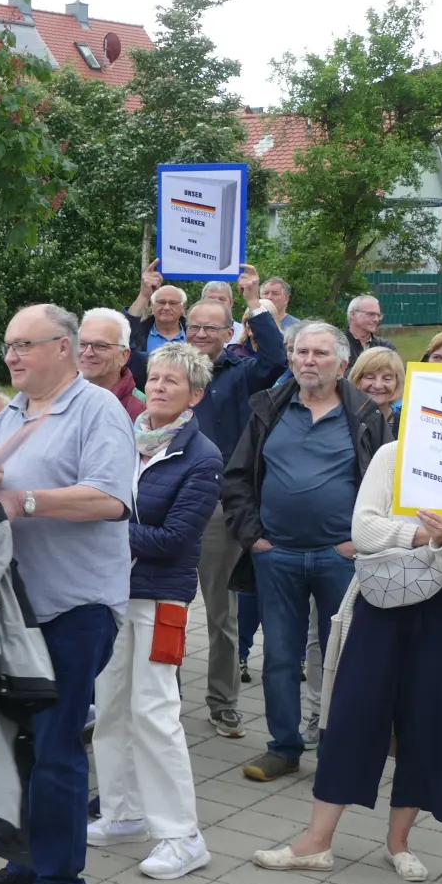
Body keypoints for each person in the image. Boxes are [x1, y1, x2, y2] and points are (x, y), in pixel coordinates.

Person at [0, 305, 136, 884]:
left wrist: (27, 501)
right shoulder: (10, 416)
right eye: (8, 346)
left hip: (77, 606)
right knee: (16, 742)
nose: (13, 356)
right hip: (10, 605)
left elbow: (109, 500)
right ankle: (23, 865)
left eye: (25, 344)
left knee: (55, 747)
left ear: (65, 348)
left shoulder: (97, 411)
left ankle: (57, 881)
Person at [251, 445, 442, 884]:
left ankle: (399, 844)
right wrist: (425, 536)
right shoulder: (395, 454)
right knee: (353, 715)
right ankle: (316, 842)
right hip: (384, 603)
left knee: (430, 724)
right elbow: (363, 530)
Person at [221, 322, 390, 783]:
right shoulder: (270, 409)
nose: (308, 361)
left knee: (347, 657)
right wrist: (254, 538)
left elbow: (387, 487)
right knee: (279, 656)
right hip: (277, 556)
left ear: (342, 363)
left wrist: (359, 543)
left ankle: (343, 749)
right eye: (301, 352)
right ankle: (283, 747)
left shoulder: (367, 418)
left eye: (319, 353)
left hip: (341, 558)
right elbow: (236, 478)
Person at [87, 343, 220, 881]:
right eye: (156, 378)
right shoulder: (126, 438)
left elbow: (174, 538)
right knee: (110, 707)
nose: (159, 387)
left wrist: (105, 522)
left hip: (159, 601)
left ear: (196, 395)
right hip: (110, 595)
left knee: (155, 714)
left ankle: (182, 836)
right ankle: (123, 813)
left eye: (173, 381)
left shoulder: (202, 456)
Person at [166, 267, 288, 741]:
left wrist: (255, 300)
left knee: (221, 613)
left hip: (218, 506)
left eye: (211, 327)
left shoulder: (243, 372)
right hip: (167, 503)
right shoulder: (167, 367)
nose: (200, 333)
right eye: (194, 325)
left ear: (229, 331)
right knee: (165, 608)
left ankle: (222, 703)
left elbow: (276, 356)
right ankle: (165, 698)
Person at [79, 308, 143, 420]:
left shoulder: (143, 413)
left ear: (124, 356)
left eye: (100, 346)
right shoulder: (54, 398)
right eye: (82, 344)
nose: (88, 352)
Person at [123, 265, 187, 352]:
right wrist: (143, 296)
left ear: (183, 307)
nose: (166, 307)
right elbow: (121, 333)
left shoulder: (196, 335)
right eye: (161, 302)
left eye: (173, 303)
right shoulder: (138, 333)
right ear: (152, 306)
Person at [349, 347, 403, 437]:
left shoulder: (408, 427)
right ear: (357, 378)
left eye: (387, 378)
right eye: (370, 377)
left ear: (397, 383)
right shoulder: (343, 420)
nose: (378, 386)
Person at [343, 296, 394, 363]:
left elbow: (398, 371)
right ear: (353, 314)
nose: (376, 319)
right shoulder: (338, 345)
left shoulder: (385, 347)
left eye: (378, 315)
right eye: (371, 314)